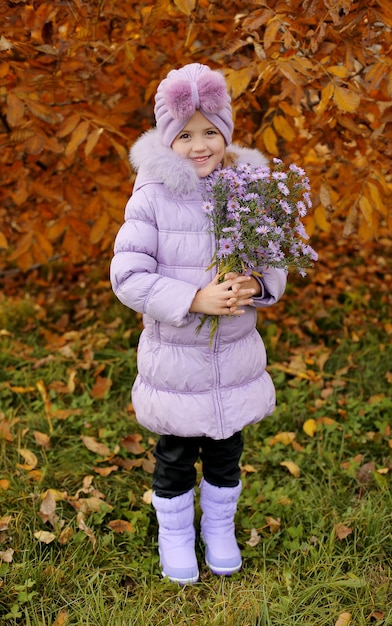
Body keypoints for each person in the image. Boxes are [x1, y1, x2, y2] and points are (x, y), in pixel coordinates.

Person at [110, 63, 287, 584]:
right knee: (176, 453)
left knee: (227, 449)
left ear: (227, 132)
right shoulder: (153, 196)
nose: (200, 144)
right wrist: (194, 297)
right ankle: (176, 534)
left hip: (233, 355)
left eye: (211, 131)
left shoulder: (248, 189)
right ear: (168, 140)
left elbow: (272, 258)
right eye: (185, 135)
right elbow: (128, 276)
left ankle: (218, 528)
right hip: (177, 361)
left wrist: (255, 285)